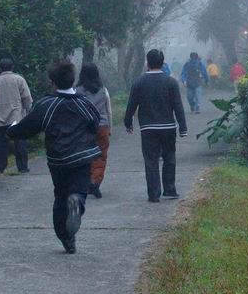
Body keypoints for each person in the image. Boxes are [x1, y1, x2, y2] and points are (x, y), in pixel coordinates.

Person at [8, 60, 101, 254]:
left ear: (52, 82)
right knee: (79, 190)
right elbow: (95, 122)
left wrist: (12, 130)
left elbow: (27, 127)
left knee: (60, 196)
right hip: (82, 156)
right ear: (73, 80)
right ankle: (77, 201)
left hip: (59, 159)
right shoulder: (84, 103)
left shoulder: (47, 104)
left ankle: (66, 238)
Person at [124, 49, 188, 203]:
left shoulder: (139, 82)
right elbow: (177, 106)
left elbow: (131, 105)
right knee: (169, 158)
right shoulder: (170, 82)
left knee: (151, 161)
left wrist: (128, 122)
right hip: (168, 127)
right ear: (162, 62)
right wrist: (183, 127)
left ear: (147, 62)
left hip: (148, 128)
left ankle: (154, 194)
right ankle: (170, 189)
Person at [76, 63, 112, 199]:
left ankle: (87, 181)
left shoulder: (76, 91)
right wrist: (110, 128)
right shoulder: (103, 90)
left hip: (83, 128)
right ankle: (95, 181)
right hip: (101, 127)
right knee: (101, 156)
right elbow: (108, 111)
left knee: (85, 156)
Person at [0, 58, 32, 174]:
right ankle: (22, 167)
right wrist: (28, 111)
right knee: (20, 142)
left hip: (0, 117)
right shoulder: (19, 79)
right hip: (16, 116)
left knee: (1, 143)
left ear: (0, 68)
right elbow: (27, 98)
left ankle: (0, 168)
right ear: (12, 67)